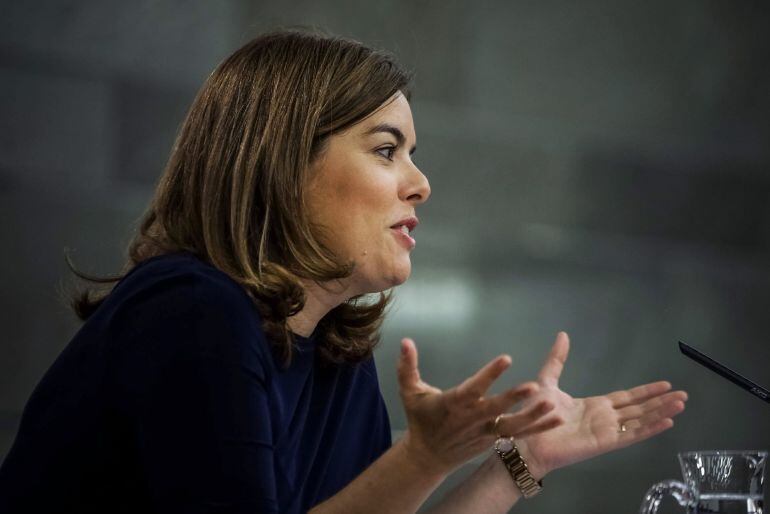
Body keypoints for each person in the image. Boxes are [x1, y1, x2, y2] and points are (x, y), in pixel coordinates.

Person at [0, 30, 687, 513]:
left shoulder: (336, 354)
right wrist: (422, 457)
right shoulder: (192, 312)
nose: (420, 183)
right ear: (282, 165)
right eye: (387, 150)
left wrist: (522, 463)